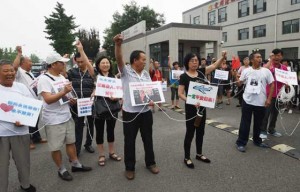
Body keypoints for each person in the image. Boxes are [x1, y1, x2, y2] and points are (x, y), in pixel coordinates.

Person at [37, 52, 92, 181]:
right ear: (54, 64)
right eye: (61, 62)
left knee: (71, 142)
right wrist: (64, 92)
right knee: (56, 147)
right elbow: (48, 99)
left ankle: (75, 164)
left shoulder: (61, 77)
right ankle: (61, 169)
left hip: (66, 115)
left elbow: (66, 95)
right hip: (53, 119)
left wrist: (70, 99)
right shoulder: (44, 79)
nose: (64, 64)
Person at [114, 34, 159, 180]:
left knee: (148, 138)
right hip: (130, 113)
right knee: (130, 141)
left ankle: (150, 163)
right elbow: (119, 59)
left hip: (146, 112)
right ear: (135, 60)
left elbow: (149, 91)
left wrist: (152, 100)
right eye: (143, 59)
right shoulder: (125, 71)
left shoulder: (145, 74)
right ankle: (129, 167)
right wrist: (118, 45)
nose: (145, 62)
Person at [178, 51, 227, 168]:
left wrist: (222, 57)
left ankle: (199, 154)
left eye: (196, 60)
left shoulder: (201, 72)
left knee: (201, 132)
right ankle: (187, 157)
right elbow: (180, 94)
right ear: (187, 63)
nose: (194, 63)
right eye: (192, 61)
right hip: (191, 109)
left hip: (202, 109)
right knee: (190, 133)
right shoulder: (184, 76)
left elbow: (214, 66)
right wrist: (191, 101)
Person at [0, 59, 36, 192]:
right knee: (1, 166)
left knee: (23, 163)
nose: (10, 73)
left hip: (20, 133)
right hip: (1, 134)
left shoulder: (21, 87)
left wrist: (24, 119)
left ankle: (25, 185)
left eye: (12, 70)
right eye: (5, 71)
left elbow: (33, 107)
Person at [235, 51, 274, 152]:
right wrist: (236, 78)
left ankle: (258, 141)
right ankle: (241, 142)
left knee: (259, 123)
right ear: (252, 60)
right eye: (257, 57)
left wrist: (269, 99)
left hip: (261, 102)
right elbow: (240, 84)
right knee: (245, 123)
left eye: (261, 57)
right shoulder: (246, 71)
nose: (260, 59)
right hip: (247, 101)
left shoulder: (266, 71)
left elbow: (272, 84)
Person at [12, 46, 47, 150]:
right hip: (24, 101)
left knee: (34, 121)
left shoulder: (30, 73)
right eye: (29, 61)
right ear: (22, 63)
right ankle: (28, 141)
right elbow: (14, 67)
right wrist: (19, 54)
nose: (31, 63)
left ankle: (36, 138)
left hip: (34, 100)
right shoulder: (19, 72)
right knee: (27, 122)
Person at [67, 41, 95, 156]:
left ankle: (88, 144)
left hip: (90, 103)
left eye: (82, 61)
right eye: (78, 62)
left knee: (90, 125)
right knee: (78, 127)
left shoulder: (91, 72)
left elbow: (96, 85)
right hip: (77, 104)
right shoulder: (71, 72)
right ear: (75, 61)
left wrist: (94, 92)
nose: (80, 64)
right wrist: (71, 98)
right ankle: (77, 149)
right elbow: (65, 84)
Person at [93, 56, 122, 166]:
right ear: (99, 65)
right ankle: (101, 155)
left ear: (110, 64)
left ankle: (111, 152)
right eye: (103, 63)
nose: (105, 64)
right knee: (99, 131)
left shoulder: (114, 77)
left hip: (112, 107)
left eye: (107, 62)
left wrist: (116, 97)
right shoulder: (96, 77)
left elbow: (118, 92)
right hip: (99, 108)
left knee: (111, 130)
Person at [260, 49, 287, 139]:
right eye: (274, 55)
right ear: (272, 56)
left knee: (275, 114)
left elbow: (286, 81)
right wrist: (270, 61)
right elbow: (263, 71)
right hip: (268, 94)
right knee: (265, 114)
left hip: (278, 95)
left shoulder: (284, 68)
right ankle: (263, 130)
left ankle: (271, 129)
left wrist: (287, 85)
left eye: (278, 55)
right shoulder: (268, 66)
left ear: (281, 57)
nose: (276, 57)